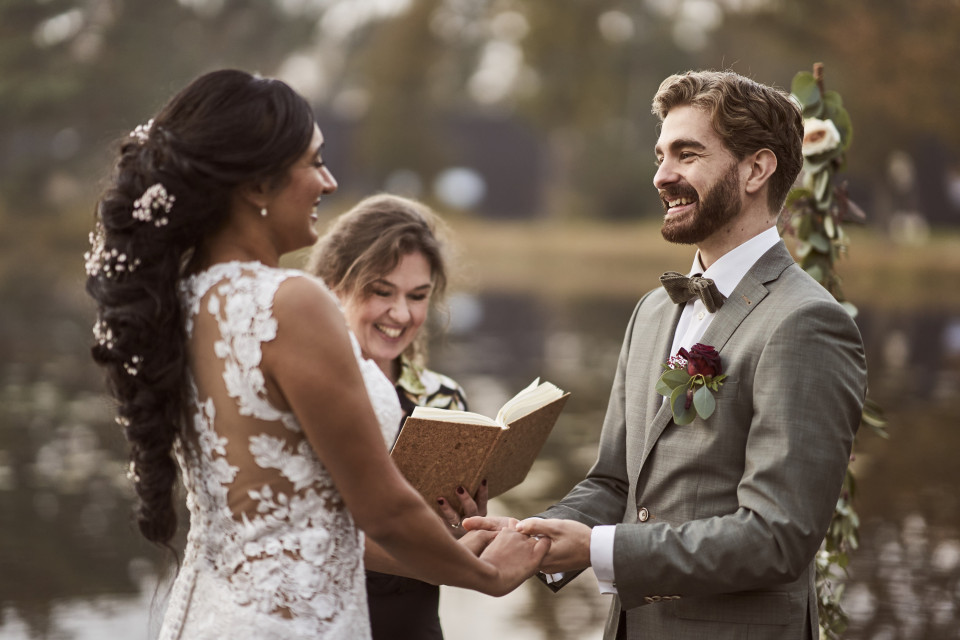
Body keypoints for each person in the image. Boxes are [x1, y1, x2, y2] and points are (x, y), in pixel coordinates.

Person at [84, 69, 548, 640]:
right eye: (313, 162)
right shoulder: (290, 301)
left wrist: (451, 539)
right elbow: (380, 510)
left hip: (209, 615)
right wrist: (485, 575)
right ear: (257, 184)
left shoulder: (180, 302)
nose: (328, 182)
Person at [466, 70, 867, 639]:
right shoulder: (653, 311)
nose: (662, 176)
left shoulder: (807, 323)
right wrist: (531, 536)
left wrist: (602, 549)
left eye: (687, 154)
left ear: (756, 169)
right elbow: (613, 483)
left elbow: (776, 538)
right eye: (660, 155)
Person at [306, 194, 482, 640]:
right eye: (381, 292)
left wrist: (467, 523)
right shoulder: (300, 391)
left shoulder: (445, 399)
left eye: (418, 296)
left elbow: (458, 539)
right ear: (333, 285)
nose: (401, 314)